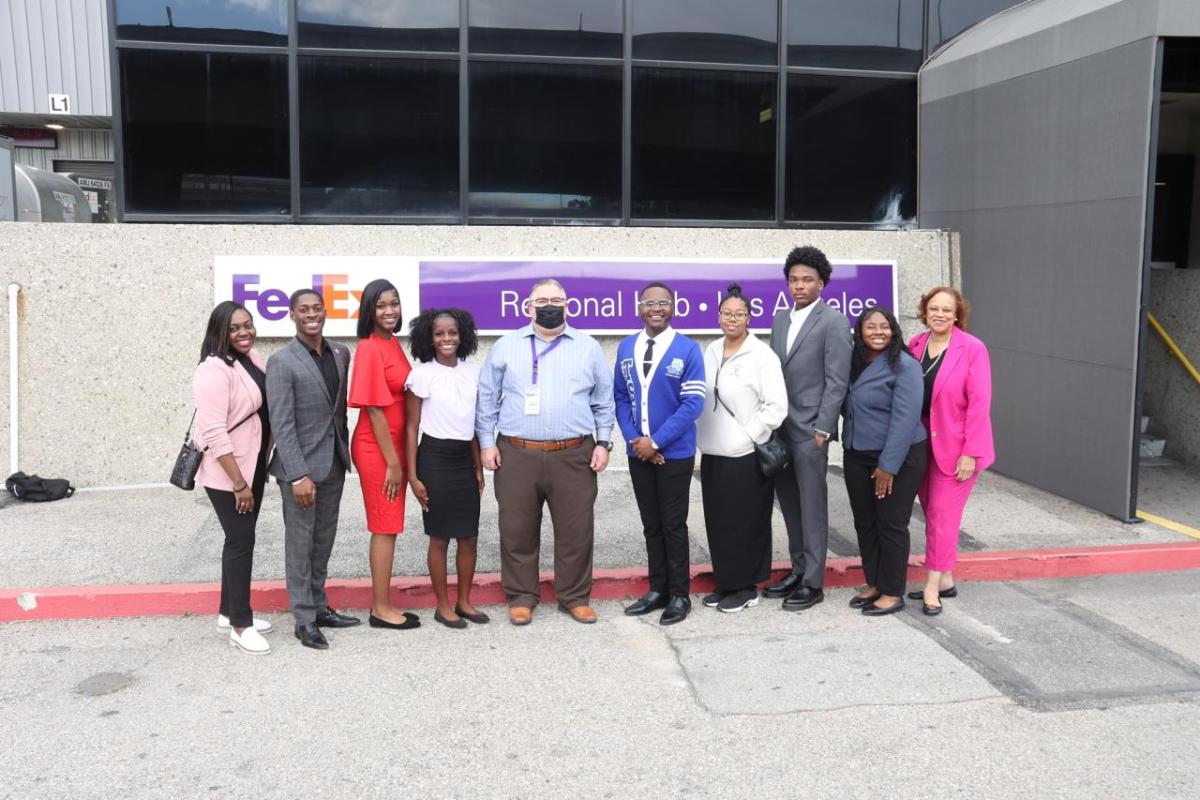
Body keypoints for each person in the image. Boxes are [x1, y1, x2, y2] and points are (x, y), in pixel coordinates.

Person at [476, 278, 616, 626]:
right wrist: (486, 442)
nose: (550, 305)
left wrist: (603, 442)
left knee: (576, 529)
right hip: (516, 453)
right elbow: (486, 396)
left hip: (574, 454)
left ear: (568, 306)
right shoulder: (506, 346)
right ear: (528, 307)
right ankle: (522, 596)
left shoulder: (588, 347)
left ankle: (574, 596)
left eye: (557, 299)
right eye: (543, 300)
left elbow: (604, 400)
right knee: (517, 528)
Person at [266, 288, 359, 650]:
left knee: (323, 541)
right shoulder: (282, 361)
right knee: (300, 544)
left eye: (317, 308)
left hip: (334, 463)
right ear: (292, 314)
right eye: (303, 309)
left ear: (325, 312)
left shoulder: (340, 353)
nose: (311, 314)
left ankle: (319, 607)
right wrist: (298, 475)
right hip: (300, 471)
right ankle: (304, 620)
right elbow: (283, 424)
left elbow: (338, 411)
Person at [614, 282, 706, 626]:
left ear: (674, 308)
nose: (656, 308)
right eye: (650, 303)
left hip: (676, 454)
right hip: (638, 453)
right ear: (639, 308)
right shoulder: (626, 348)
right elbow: (621, 398)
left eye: (663, 303)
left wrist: (657, 442)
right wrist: (637, 440)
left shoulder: (688, 349)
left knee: (673, 525)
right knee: (651, 525)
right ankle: (657, 590)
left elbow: (693, 403)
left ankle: (680, 595)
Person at [767, 245, 852, 611]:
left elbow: (837, 381)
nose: (799, 286)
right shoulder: (781, 320)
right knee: (789, 505)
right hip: (780, 429)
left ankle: (814, 581)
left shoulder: (833, 322)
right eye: (794, 280)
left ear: (822, 283)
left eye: (807, 280)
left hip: (810, 432)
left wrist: (823, 430)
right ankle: (798, 568)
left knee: (812, 507)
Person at [695, 284, 788, 613]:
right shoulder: (711, 350)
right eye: (726, 313)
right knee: (719, 522)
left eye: (739, 314)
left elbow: (776, 407)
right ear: (718, 316)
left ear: (749, 318)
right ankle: (727, 582)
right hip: (713, 454)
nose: (731, 319)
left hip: (745, 456)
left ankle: (747, 587)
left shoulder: (762, 355)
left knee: (746, 522)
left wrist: (749, 435)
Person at [193, 301, 273, 655]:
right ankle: (241, 625)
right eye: (235, 328)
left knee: (239, 539)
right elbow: (212, 431)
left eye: (248, 325)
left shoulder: (251, 359)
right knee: (241, 542)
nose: (244, 332)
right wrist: (239, 483)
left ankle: (228, 612)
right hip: (230, 473)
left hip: (252, 464)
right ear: (219, 332)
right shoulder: (212, 370)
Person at [907, 287, 994, 615]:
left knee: (943, 517)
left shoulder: (972, 348)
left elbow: (979, 403)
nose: (940, 314)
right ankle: (945, 578)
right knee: (933, 514)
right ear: (924, 311)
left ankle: (932, 587)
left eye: (946, 310)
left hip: (958, 447)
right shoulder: (916, 344)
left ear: (957, 314)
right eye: (934, 309)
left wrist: (970, 452)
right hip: (922, 443)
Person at [405, 308, 487, 629]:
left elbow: (475, 423)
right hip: (434, 459)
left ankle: (464, 601)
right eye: (439, 334)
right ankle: (442, 605)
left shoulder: (474, 372)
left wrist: (479, 466)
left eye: (452, 332)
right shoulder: (421, 374)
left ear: (462, 334)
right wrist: (412, 475)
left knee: (469, 535)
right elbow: (412, 428)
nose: (447, 339)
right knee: (439, 537)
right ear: (429, 338)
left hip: (464, 458)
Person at [842, 307, 928, 616]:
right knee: (865, 523)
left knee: (891, 524)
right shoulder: (855, 363)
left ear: (894, 330)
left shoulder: (905, 366)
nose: (878, 331)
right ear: (860, 332)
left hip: (897, 457)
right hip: (857, 453)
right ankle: (875, 582)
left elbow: (905, 421)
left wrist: (888, 467)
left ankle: (893, 591)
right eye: (870, 326)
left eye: (885, 326)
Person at [347, 279, 420, 631]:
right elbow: (374, 409)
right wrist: (393, 462)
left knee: (390, 524)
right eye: (381, 305)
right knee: (384, 525)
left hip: (395, 448)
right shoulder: (369, 347)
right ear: (369, 311)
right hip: (378, 450)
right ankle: (379, 608)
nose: (390, 311)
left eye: (395, 303)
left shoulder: (393, 344)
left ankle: (383, 602)